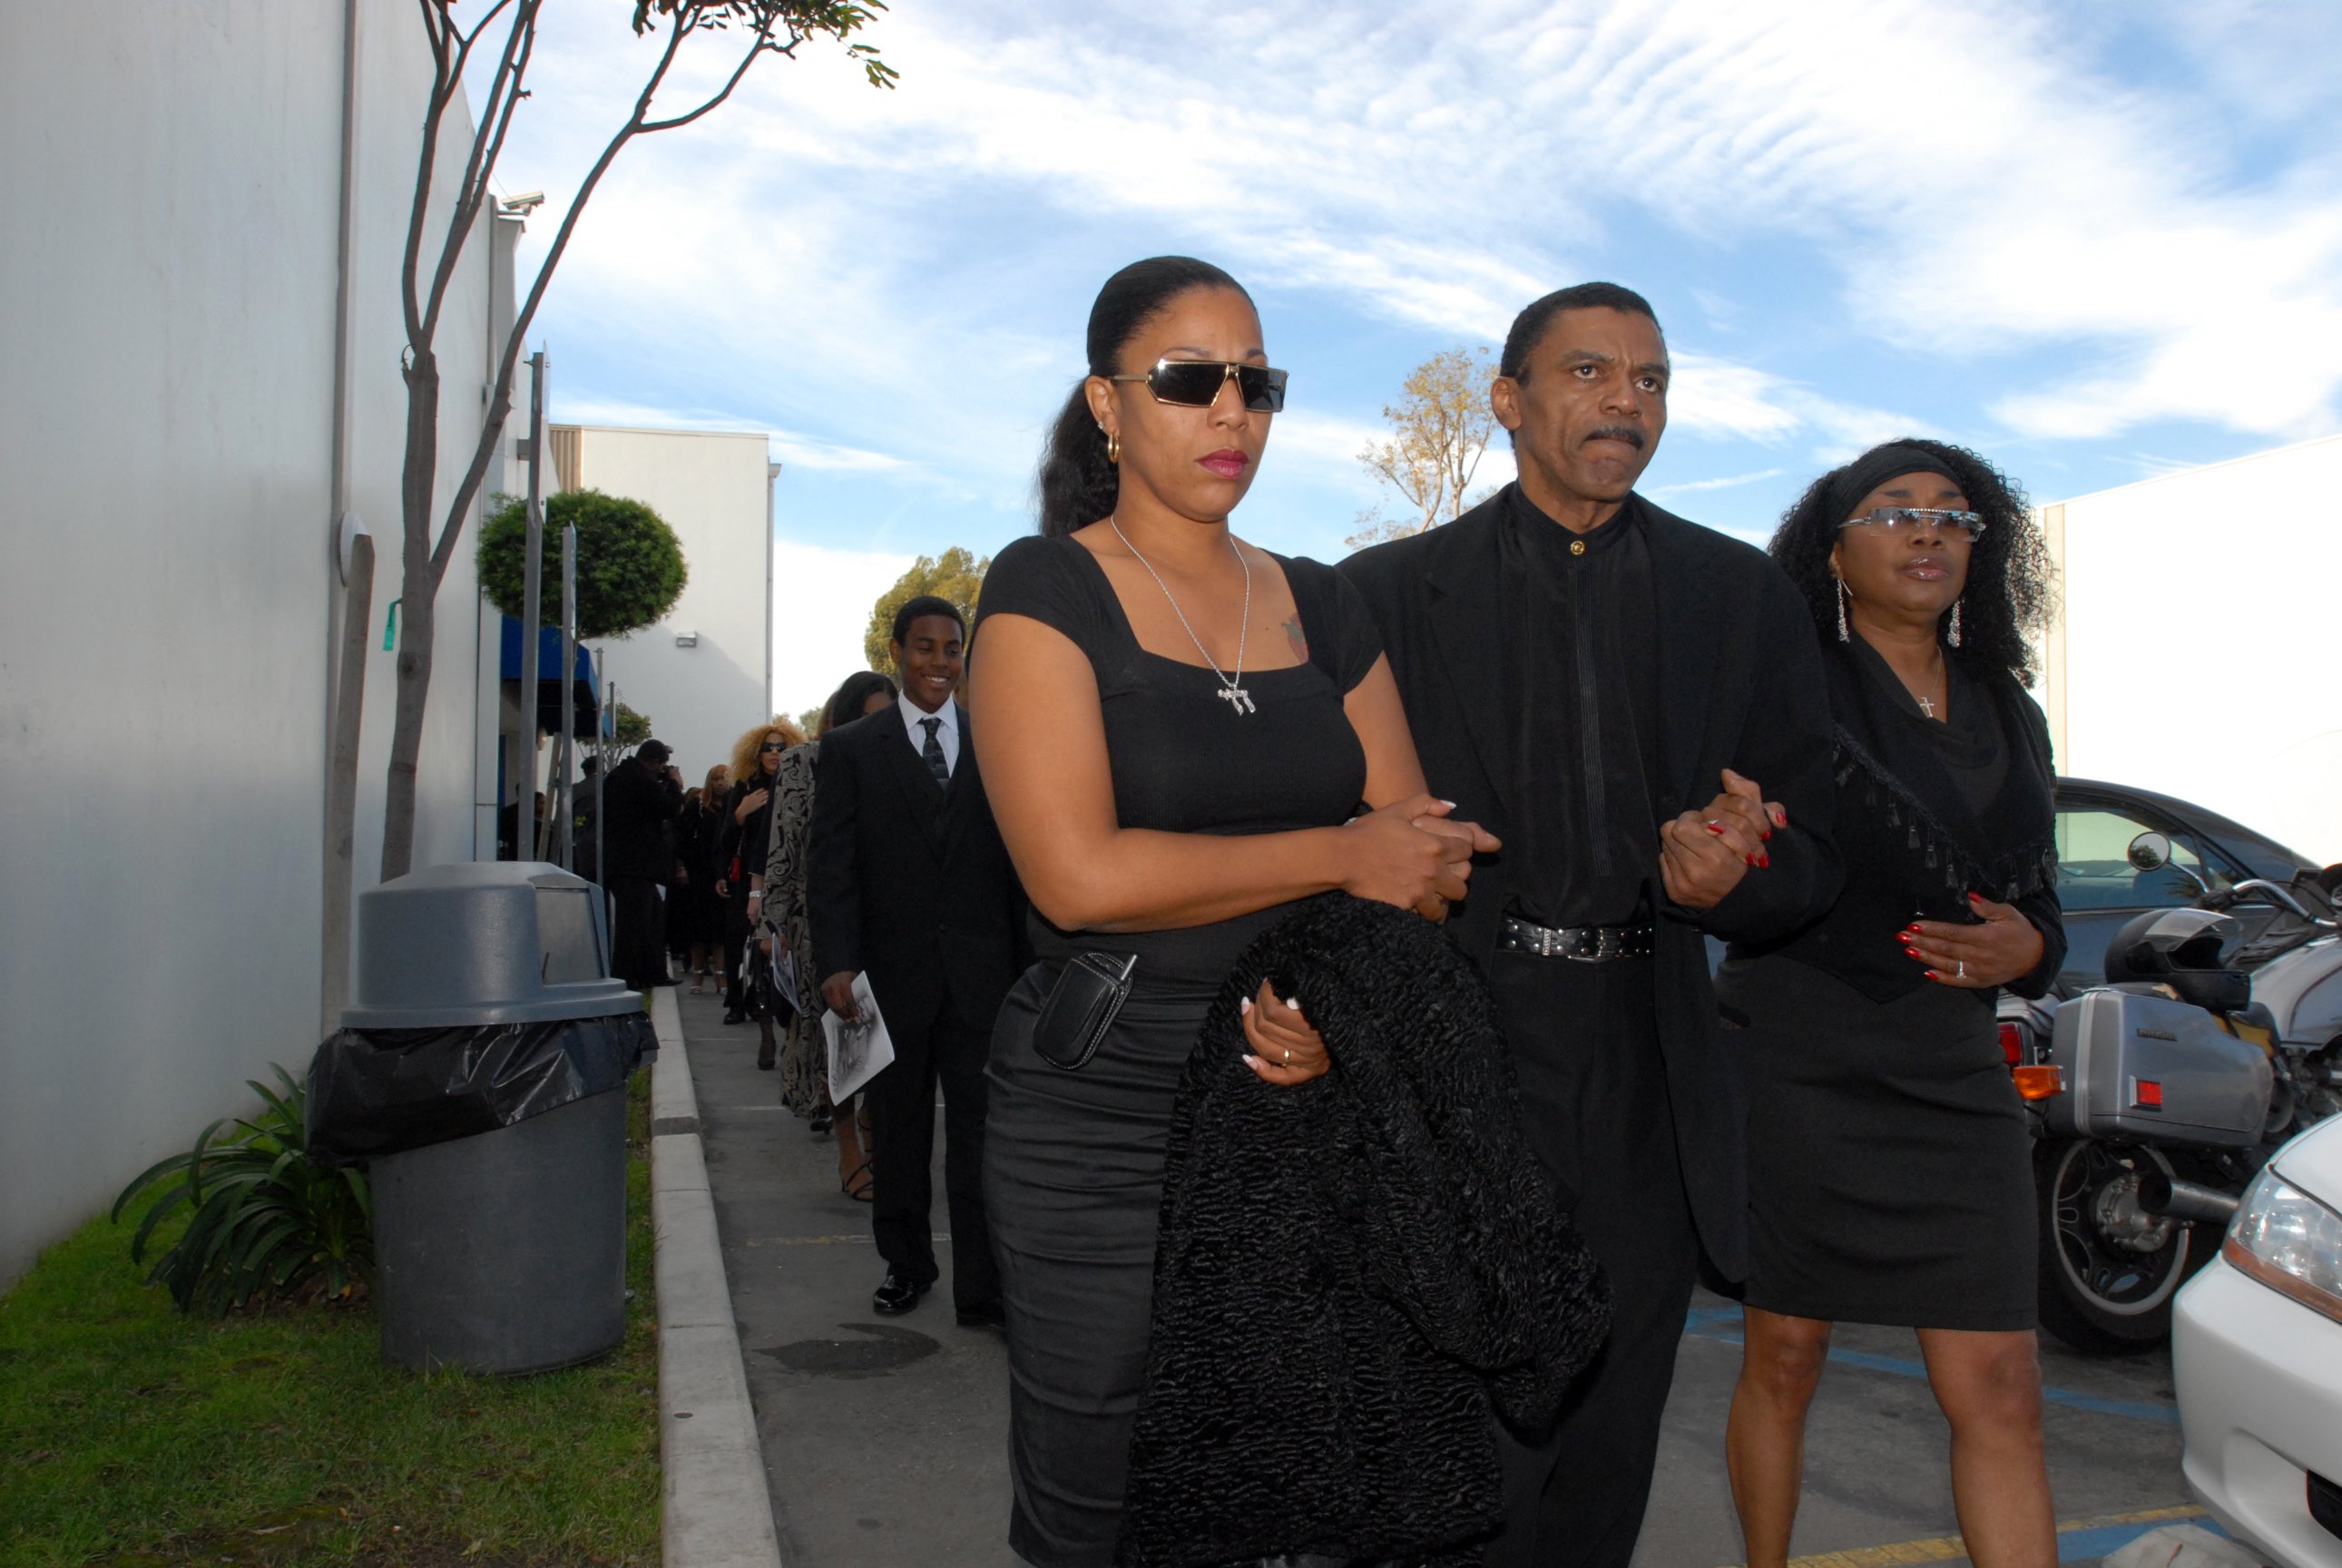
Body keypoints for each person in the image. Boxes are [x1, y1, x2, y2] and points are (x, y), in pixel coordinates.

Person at [970, 255, 1499, 1568]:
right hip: (1107, 1111)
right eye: (1188, 380)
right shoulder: (1046, 590)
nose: (1230, 412)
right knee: (1100, 1493)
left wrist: (1335, 1015)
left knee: (1299, 1490)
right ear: (1106, 404)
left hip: (1298, 1095)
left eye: (1255, 383)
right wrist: (1336, 849)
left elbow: (1422, 866)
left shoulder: (1326, 602)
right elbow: (1076, 877)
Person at [1341, 280, 1842, 1568]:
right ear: (1508, 402)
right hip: (1459, 1042)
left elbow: (1814, 846)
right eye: (1588, 372)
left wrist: (1737, 878)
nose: (1626, 399)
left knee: (1609, 1437)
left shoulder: (1739, 600)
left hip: (1645, 1059)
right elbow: (1316, 843)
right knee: (1462, 1428)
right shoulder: (1380, 600)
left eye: (1652, 379)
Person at [1722, 441, 2064, 1568]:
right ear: (1831, 552)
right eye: (1894, 512)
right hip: (1806, 1051)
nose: (1928, 533)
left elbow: (2040, 905)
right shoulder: (1787, 691)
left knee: (2002, 1382)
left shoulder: (2010, 710)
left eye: (1953, 517)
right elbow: (1753, 867)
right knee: (1784, 1352)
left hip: (1952, 1070)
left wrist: (2030, 948)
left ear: (1983, 547)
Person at [808, 599, 1025, 1323]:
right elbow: (831, 867)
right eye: (925, 647)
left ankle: (982, 1290)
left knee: (979, 1139)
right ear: (897, 650)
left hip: (979, 979)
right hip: (886, 979)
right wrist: (836, 961)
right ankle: (906, 1266)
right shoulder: (850, 750)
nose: (939, 662)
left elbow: (1014, 866)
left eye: (952, 649)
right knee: (898, 1134)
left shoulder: (996, 742)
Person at [755, 670, 897, 1200]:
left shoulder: (902, 760)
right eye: (869, 715)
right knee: (840, 1039)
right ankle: (848, 1151)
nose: (880, 726)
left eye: (888, 715)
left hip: (888, 920)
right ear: (844, 716)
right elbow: (783, 844)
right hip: (822, 922)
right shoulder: (804, 761)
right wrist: (775, 923)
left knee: (885, 1043)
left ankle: (874, 1132)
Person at [718, 719, 802, 1060]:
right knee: (748, 951)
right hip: (752, 883)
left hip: (791, 880)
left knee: (784, 957)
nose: (774, 753)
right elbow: (723, 839)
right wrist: (741, 812)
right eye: (768, 747)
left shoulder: (798, 783)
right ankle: (747, 1012)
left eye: (781, 747)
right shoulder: (745, 787)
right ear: (756, 752)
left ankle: (783, 1023)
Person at [599, 739, 685, 990]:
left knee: (651, 920)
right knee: (635, 925)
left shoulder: (623, 775)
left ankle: (650, 972)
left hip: (629, 864)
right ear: (656, 761)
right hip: (634, 865)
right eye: (663, 765)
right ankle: (628, 975)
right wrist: (673, 784)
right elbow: (669, 808)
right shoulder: (639, 779)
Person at [675, 767, 730, 992]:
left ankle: (721, 975)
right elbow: (681, 837)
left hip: (723, 872)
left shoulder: (732, 806)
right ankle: (697, 975)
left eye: (724, 779)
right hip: (698, 872)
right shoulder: (696, 807)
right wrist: (681, 866)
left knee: (721, 929)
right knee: (697, 927)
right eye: (715, 779)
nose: (719, 783)